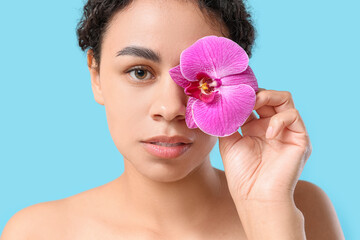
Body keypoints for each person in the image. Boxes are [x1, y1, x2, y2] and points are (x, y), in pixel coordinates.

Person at [1, 0, 344, 239]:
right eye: (139, 72)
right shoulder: (36, 232)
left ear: (236, 79)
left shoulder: (301, 208)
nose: (170, 108)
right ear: (96, 76)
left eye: (199, 77)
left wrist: (267, 211)